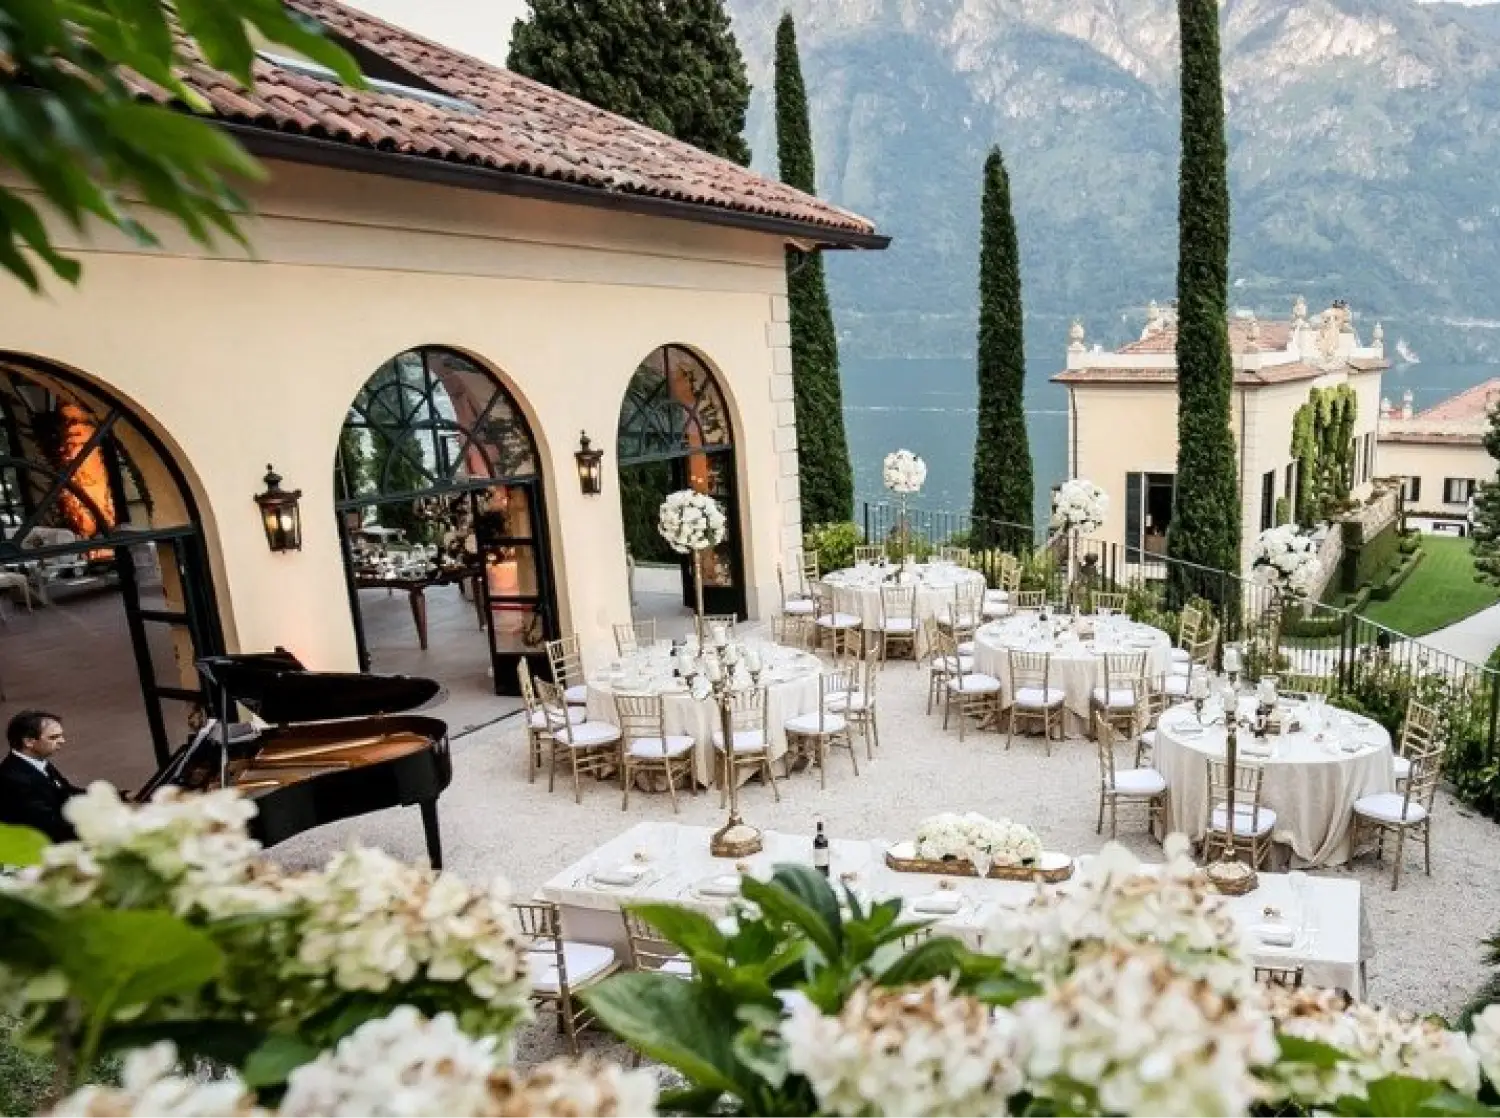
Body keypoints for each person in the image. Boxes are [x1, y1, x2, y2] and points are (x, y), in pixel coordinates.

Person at [0, 710, 84, 842]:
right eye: (53, 737)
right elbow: (47, 824)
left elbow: (65, 791)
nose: (62, 741)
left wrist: (110, 796)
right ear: (29, 741)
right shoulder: (14, 779)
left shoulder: (37, 762)